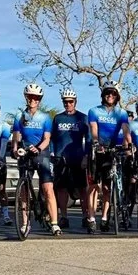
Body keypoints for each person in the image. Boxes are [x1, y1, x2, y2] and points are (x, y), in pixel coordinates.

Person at [12, 83, 62, 236]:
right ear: (26, 97)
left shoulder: (45, 117)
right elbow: (16, 136)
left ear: (39, 100)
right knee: (24, 192)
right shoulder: (19, 117)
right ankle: (25, 223)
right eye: (30, 97)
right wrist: (15, 149)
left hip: (41, 153)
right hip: (25, 153)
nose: (33, 100)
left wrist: (39, 148)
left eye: (36, 98)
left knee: (48, 189)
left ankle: (54, 223)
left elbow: (47, 138)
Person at [86, 81, 130, 234]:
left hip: (111, 152)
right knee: (92, 187)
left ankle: (104, 218)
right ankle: (91, 218)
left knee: (106, 188)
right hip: (97, 151)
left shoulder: (121, 113)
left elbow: (125, 131)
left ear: (117, 96)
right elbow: (94, 129)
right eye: (107, 93)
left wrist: (129, 144)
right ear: (103, 95)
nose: (110, 95)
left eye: (113, 93)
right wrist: (97, 142)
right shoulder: (94, 111)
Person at [51, 88, 88, 230]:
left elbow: (89, 138)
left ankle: (85, 216)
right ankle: (64, 217)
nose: (68, 104)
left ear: (75, 102)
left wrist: (86, 156)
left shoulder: (82, 118)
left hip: (77, 157)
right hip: (61, 158)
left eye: (70, 102)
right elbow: (52, 138)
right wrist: (53, 154)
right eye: (65, 102)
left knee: (82, 189)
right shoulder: (58, 118)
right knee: (62, 189)